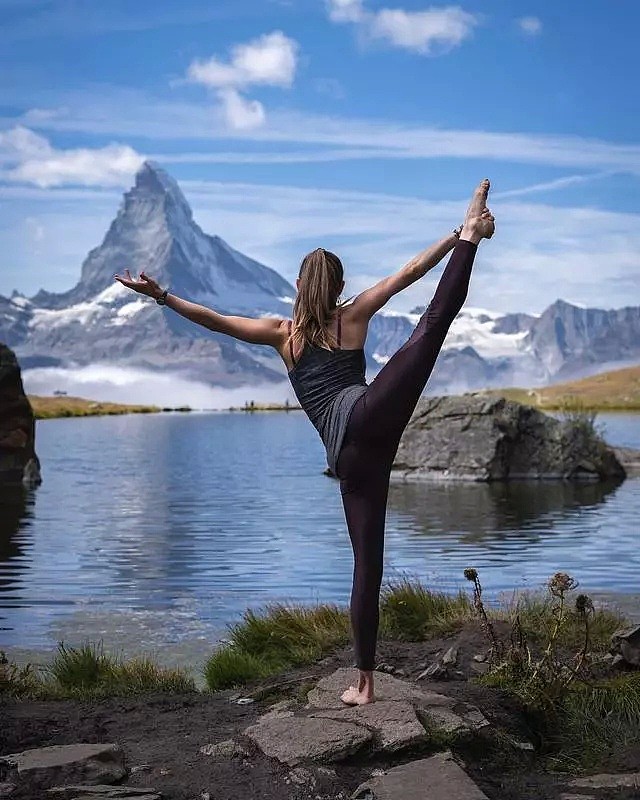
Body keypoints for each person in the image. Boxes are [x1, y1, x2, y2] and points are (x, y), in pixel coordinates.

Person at [115, 179, 496, 705]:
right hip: (366, 419)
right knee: (429, 329)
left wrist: (162, 297)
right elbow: (410, 273)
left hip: (350, 457)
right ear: (338, 285)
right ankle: (475, 235)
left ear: (299, 283)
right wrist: (459, 236)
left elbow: (216, 322)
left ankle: (363, 684)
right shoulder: (353, 313)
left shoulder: (282, 334)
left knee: (368, 563)